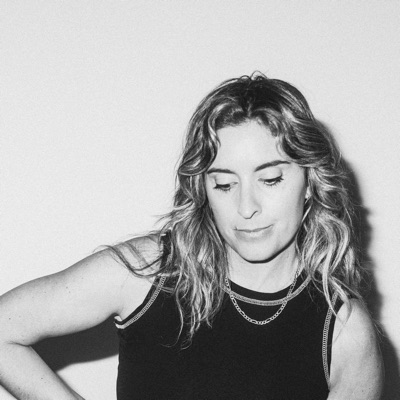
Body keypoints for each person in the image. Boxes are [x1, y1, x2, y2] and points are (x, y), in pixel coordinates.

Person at [0, 73, 383, 400]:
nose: (246, 207)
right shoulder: (147, 273)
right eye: (224, 184)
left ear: (311, 182)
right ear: (203, 189)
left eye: (270, 179)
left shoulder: (344, 331)